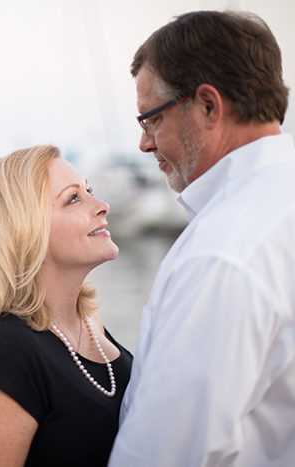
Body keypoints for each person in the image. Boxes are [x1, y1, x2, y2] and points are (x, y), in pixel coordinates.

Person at [108, 10, 295, 467]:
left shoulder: (225, 252)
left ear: (208, 106)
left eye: (150, 119)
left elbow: (163, 454)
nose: (144, 144)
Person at [0, 145, 132, 466]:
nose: (102, 205)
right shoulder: (2, 352)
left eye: (90, 191)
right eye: (74, 198)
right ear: (24, 229)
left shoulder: (89, 321)